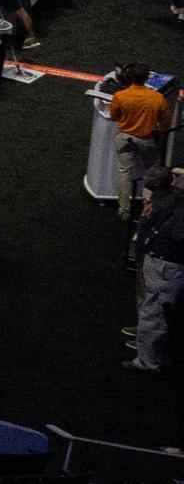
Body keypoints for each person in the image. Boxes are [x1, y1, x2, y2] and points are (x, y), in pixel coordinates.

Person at [124, 168, 184, 373]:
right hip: (158, 262)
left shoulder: (173, 204)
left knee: (155, 312)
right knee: (149, 306)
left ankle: (148, 360)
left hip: (165, 266)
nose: (174, 180)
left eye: (179, 176)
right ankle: (146, 344)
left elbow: (176, 235)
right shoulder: (174, 201)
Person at [108, 65, 171, 220]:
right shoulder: (157, 98)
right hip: (146, 139)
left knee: (124, 172)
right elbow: (164, 118)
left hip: (125, 137)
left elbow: (114, 116)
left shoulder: (120, 95)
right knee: (151, 172)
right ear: (147, 78)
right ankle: (147, 208)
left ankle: (124, 210)